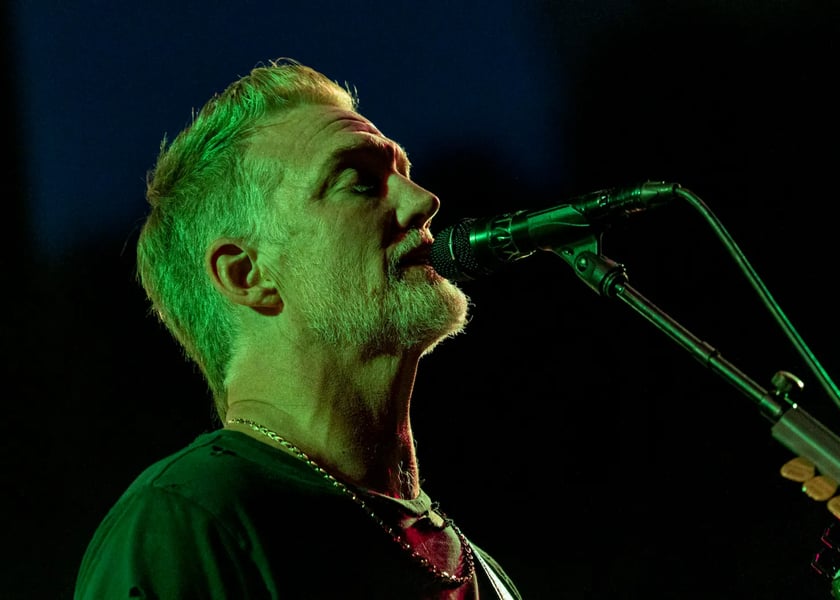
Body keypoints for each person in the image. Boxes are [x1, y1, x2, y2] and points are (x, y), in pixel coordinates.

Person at [74, 58, 522, 600]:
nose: (424, 202)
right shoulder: (191, 519)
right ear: (249, 274)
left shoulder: (476, 565)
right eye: (359, 182)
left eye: (404, 173)